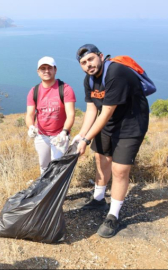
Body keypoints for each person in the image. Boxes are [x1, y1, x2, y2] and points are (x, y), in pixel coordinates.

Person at [73, 44, 149, 238]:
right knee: (101, 159)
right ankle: (98, 198)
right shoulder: (89, 80)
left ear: (100, 56)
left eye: (91, 59)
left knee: (120, 169)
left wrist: (87, 139)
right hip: (108, 123)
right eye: (83, 63)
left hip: (131, 124)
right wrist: (81, 135)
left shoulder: (116, 72)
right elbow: (92, 110)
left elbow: (106, 111)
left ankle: (113, 215)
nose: (88, 65)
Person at [26, 56, 76, 173]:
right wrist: (31, 127)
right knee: (43, 166)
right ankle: (45, 191)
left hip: (59, 136)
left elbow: (71, 114)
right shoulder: (34, 91)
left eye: (49, 68)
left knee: (57, 168)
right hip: (41, 135)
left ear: (55, 70)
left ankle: (57, 191)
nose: (46, 71)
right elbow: (29, 114)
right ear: (38, 72)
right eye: (43, 68)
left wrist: (65, 131)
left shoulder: (65, 89)